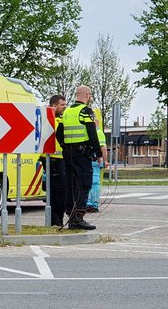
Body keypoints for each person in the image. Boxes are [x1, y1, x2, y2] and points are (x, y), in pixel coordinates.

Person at [56, 85, 102, 230]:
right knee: (84, 185)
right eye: (90, 95)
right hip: (82, 154)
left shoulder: (67, 111)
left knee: (71, 185)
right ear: (87, 95)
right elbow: (92, 133)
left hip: (68, 154)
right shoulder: (85, 111)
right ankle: (78, 219)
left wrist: (65, 146)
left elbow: (59, 133)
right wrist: (98, 153)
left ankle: (70, 214)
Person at [48, 94, 67, 227]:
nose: (64, 107)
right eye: (62, 105)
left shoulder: (58, 120)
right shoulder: (50, 121)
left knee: (58, 192)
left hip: (59, 159)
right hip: (54, 159)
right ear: (54, 105)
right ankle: (56, 219)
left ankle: (56, 219)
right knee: (57, 192)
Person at [87, 113, 108, 212]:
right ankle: (94, 204)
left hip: (86, 158)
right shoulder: (99, 133)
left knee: (87, 182)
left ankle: (87, 203)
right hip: (96, 159)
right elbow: (103, 148)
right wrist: (105, 160)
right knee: (95, 183)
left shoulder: (86, 132)